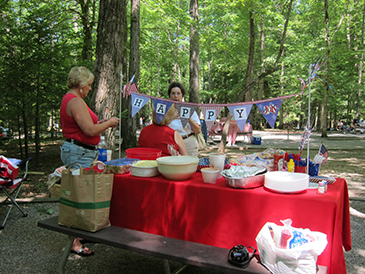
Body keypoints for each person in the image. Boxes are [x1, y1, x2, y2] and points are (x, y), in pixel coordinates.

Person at [59, 66, 120, 256]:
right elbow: (89, 131)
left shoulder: (75, 100)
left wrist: (101, 123)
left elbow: (89, 127)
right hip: (78, 153)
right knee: (78, 194)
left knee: (83, 192)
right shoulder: (74, 101)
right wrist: (110, 123)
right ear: (81, 84)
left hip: (82, 151)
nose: (90, 89)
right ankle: (73, 242)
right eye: (89, 85)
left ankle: (81, 232)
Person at [167, 82, 201, 156]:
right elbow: (158, 127)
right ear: (169, 95)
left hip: (188, 142)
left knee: (190, 166)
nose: (176, 96)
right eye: (173, 93)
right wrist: (170, 118)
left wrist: (188, 119)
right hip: (170, 143)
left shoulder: (189, 109)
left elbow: (198, 130)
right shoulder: (164, 110)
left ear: (182, 95)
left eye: (178, 93)